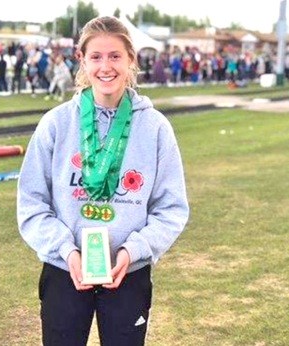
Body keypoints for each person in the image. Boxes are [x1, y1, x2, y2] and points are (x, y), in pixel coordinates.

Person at [17, 16, 189, 346]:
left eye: (115, 56)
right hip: (64, 270)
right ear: (81, 60)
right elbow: (32, 204)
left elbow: (171, 209)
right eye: (96, 56)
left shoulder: (154, 128)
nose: (105, 66)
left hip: (129, 273)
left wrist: (133, 250)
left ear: (130, 61)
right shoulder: (55, 124)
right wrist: (67, 251)